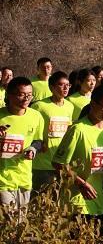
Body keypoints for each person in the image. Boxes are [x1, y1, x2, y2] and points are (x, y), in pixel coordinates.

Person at [53, 85, 103, 220]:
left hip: (101, 200)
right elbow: (58, 163)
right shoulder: (78, 129)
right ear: (93, 103)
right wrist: (81, 183)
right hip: (77, 201)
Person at [0, 76, 43, 211]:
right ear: (9, 95)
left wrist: (33, 149)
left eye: (29, 95)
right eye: (21, 95)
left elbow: (38, 141)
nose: (26, 99)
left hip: (24, 178)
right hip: (3, 179)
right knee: (7, 219)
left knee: (21, 220)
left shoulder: (36, 116)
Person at [31, 70, 74, 192]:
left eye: (68, 85)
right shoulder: (39, 106)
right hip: (43, 163)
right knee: (40, 199)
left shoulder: (70, 106)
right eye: (61, 84)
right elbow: (31, 129)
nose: (65, 88)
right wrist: (38, 144)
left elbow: (68, 129)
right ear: (52, 87)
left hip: (62, 162)